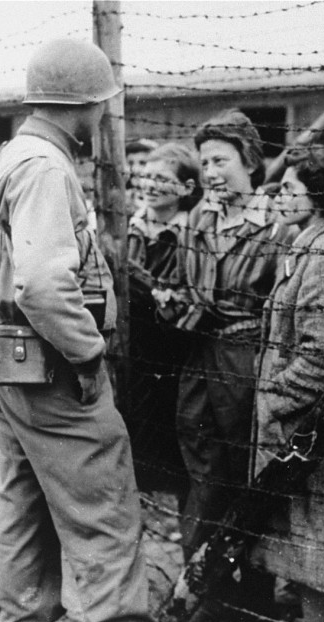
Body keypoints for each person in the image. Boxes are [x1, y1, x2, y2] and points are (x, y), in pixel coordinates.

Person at [0, 38, 167, 622]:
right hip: (48, 368)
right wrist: (86, 352)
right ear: (88, 104)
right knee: (104, 513)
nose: (103, 117)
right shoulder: (47, 167)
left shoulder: (0, 159)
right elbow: (43, 282)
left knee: (20, 512)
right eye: (103, 106)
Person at [167, 109, 290, 622]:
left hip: (247, 362)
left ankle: (254, 602)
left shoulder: (277, 226)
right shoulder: (198, 220)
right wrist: (175, 303)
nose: (212, 172)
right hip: (199, 358)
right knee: (201, 475)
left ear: (251, 162)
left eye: (221, 161)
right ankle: (204, 594)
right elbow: (185, 284)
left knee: (246, 476)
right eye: (206, 163)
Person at [249, 150, 324, 622]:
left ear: (320, 195)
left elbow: (322, 352)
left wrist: (275, 399)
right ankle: (310, 620)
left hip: (304, 418)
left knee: (313, 518)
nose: (280, 197)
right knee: (297, 517)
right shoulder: (306, 241)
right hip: (289, 413)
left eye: (291, 189)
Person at [126, 143, 200, 494]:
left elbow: (184, 299)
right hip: (132, 351)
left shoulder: (192, 235)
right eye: (146, 176)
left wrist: (138, 281)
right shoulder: (128, 228)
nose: (150, 185)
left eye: (161, 178)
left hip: (174, 356)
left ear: (186, 188)